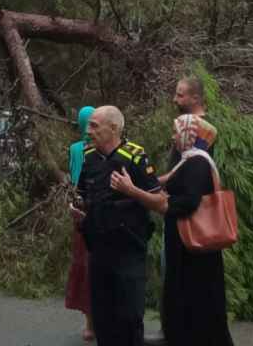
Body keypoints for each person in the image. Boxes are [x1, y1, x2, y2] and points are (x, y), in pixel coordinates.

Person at [118, 113, 235, 346]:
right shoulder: (189, 159)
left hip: (192, 249)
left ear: (189, 134)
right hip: (186, 246)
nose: (173, 136)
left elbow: (188, 202)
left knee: (195, 300)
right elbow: (166, 181)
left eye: (176, 131)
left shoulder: (197, 163)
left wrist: (139, 194)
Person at [71, 105, 157, 346]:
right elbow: (82, 195)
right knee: (103, 320)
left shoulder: (135, 157)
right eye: (89, 125)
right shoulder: (89, 158)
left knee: (129, 319)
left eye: (95, 126)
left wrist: (131, 191)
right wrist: (79, 212)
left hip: (129, 251)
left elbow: (162, 202)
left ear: (114, 128)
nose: (88, 131)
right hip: (98, 251)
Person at [65, 106, 95, 342]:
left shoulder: (76, 149)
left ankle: (89, 324)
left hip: (79, 209)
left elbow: (73, 177)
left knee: (83, 264)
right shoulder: (103, 147)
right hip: (98, 210)